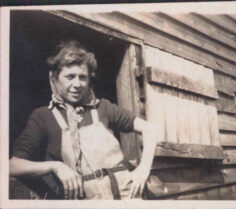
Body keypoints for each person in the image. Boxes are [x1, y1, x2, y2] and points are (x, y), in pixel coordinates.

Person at [9, 40, 157, 200]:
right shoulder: (43, 117)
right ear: (54, 78)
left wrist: (143, 169)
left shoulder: (104, 108)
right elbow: (12, 166)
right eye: (70, 77)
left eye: (83, 77)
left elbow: (150, 129)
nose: (77, 84)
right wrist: (55, 167)